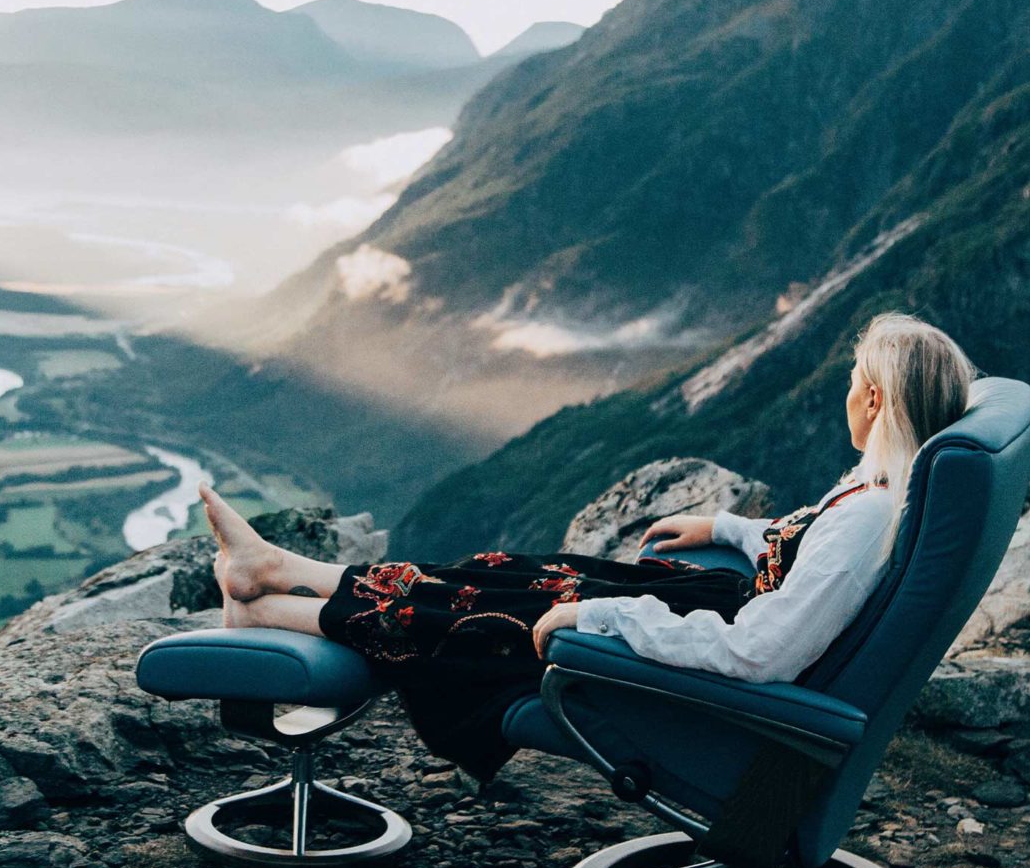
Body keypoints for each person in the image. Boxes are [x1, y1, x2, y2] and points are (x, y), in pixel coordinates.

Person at [199, 312, 978, 782]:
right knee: (503, 576)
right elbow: (798, 548)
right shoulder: (884, 491)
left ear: (874, 398)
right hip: (710, 600)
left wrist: (609, 617)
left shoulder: (861, 526)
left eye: (852, 382)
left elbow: (760, 658)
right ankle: (280, 576)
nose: (845, 394)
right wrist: (725, 529)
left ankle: (268, 599)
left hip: (704, 662)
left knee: (481, 619)